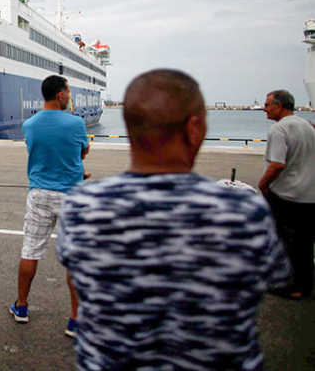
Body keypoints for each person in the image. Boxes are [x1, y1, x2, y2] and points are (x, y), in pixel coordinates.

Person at [57, 69, 291, 370]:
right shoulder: (245, 212)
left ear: (131, 126)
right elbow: (278, 277)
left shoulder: (82, 206)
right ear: (194, 129)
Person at [9, 75, 88, 337]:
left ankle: (21, 307)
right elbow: (80, 153)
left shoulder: (29, 124)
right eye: (69, 92)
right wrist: (78, 171)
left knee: (30, 251)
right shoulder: (76, 123)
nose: (70, 97)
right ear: (60, 95)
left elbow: (40, 154)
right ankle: (75, 321)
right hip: (70, 195)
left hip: (39, 194)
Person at [258, 89, 315, 300]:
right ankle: (306, 283)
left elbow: (277, 164)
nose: (264, 109)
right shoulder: (308, 126)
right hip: (310, 195)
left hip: (287, 195)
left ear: (279, 106)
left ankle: (293, 286)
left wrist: (263, 184)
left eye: (267, 105)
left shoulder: (279, 129)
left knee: (286, 242)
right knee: (305, 243)